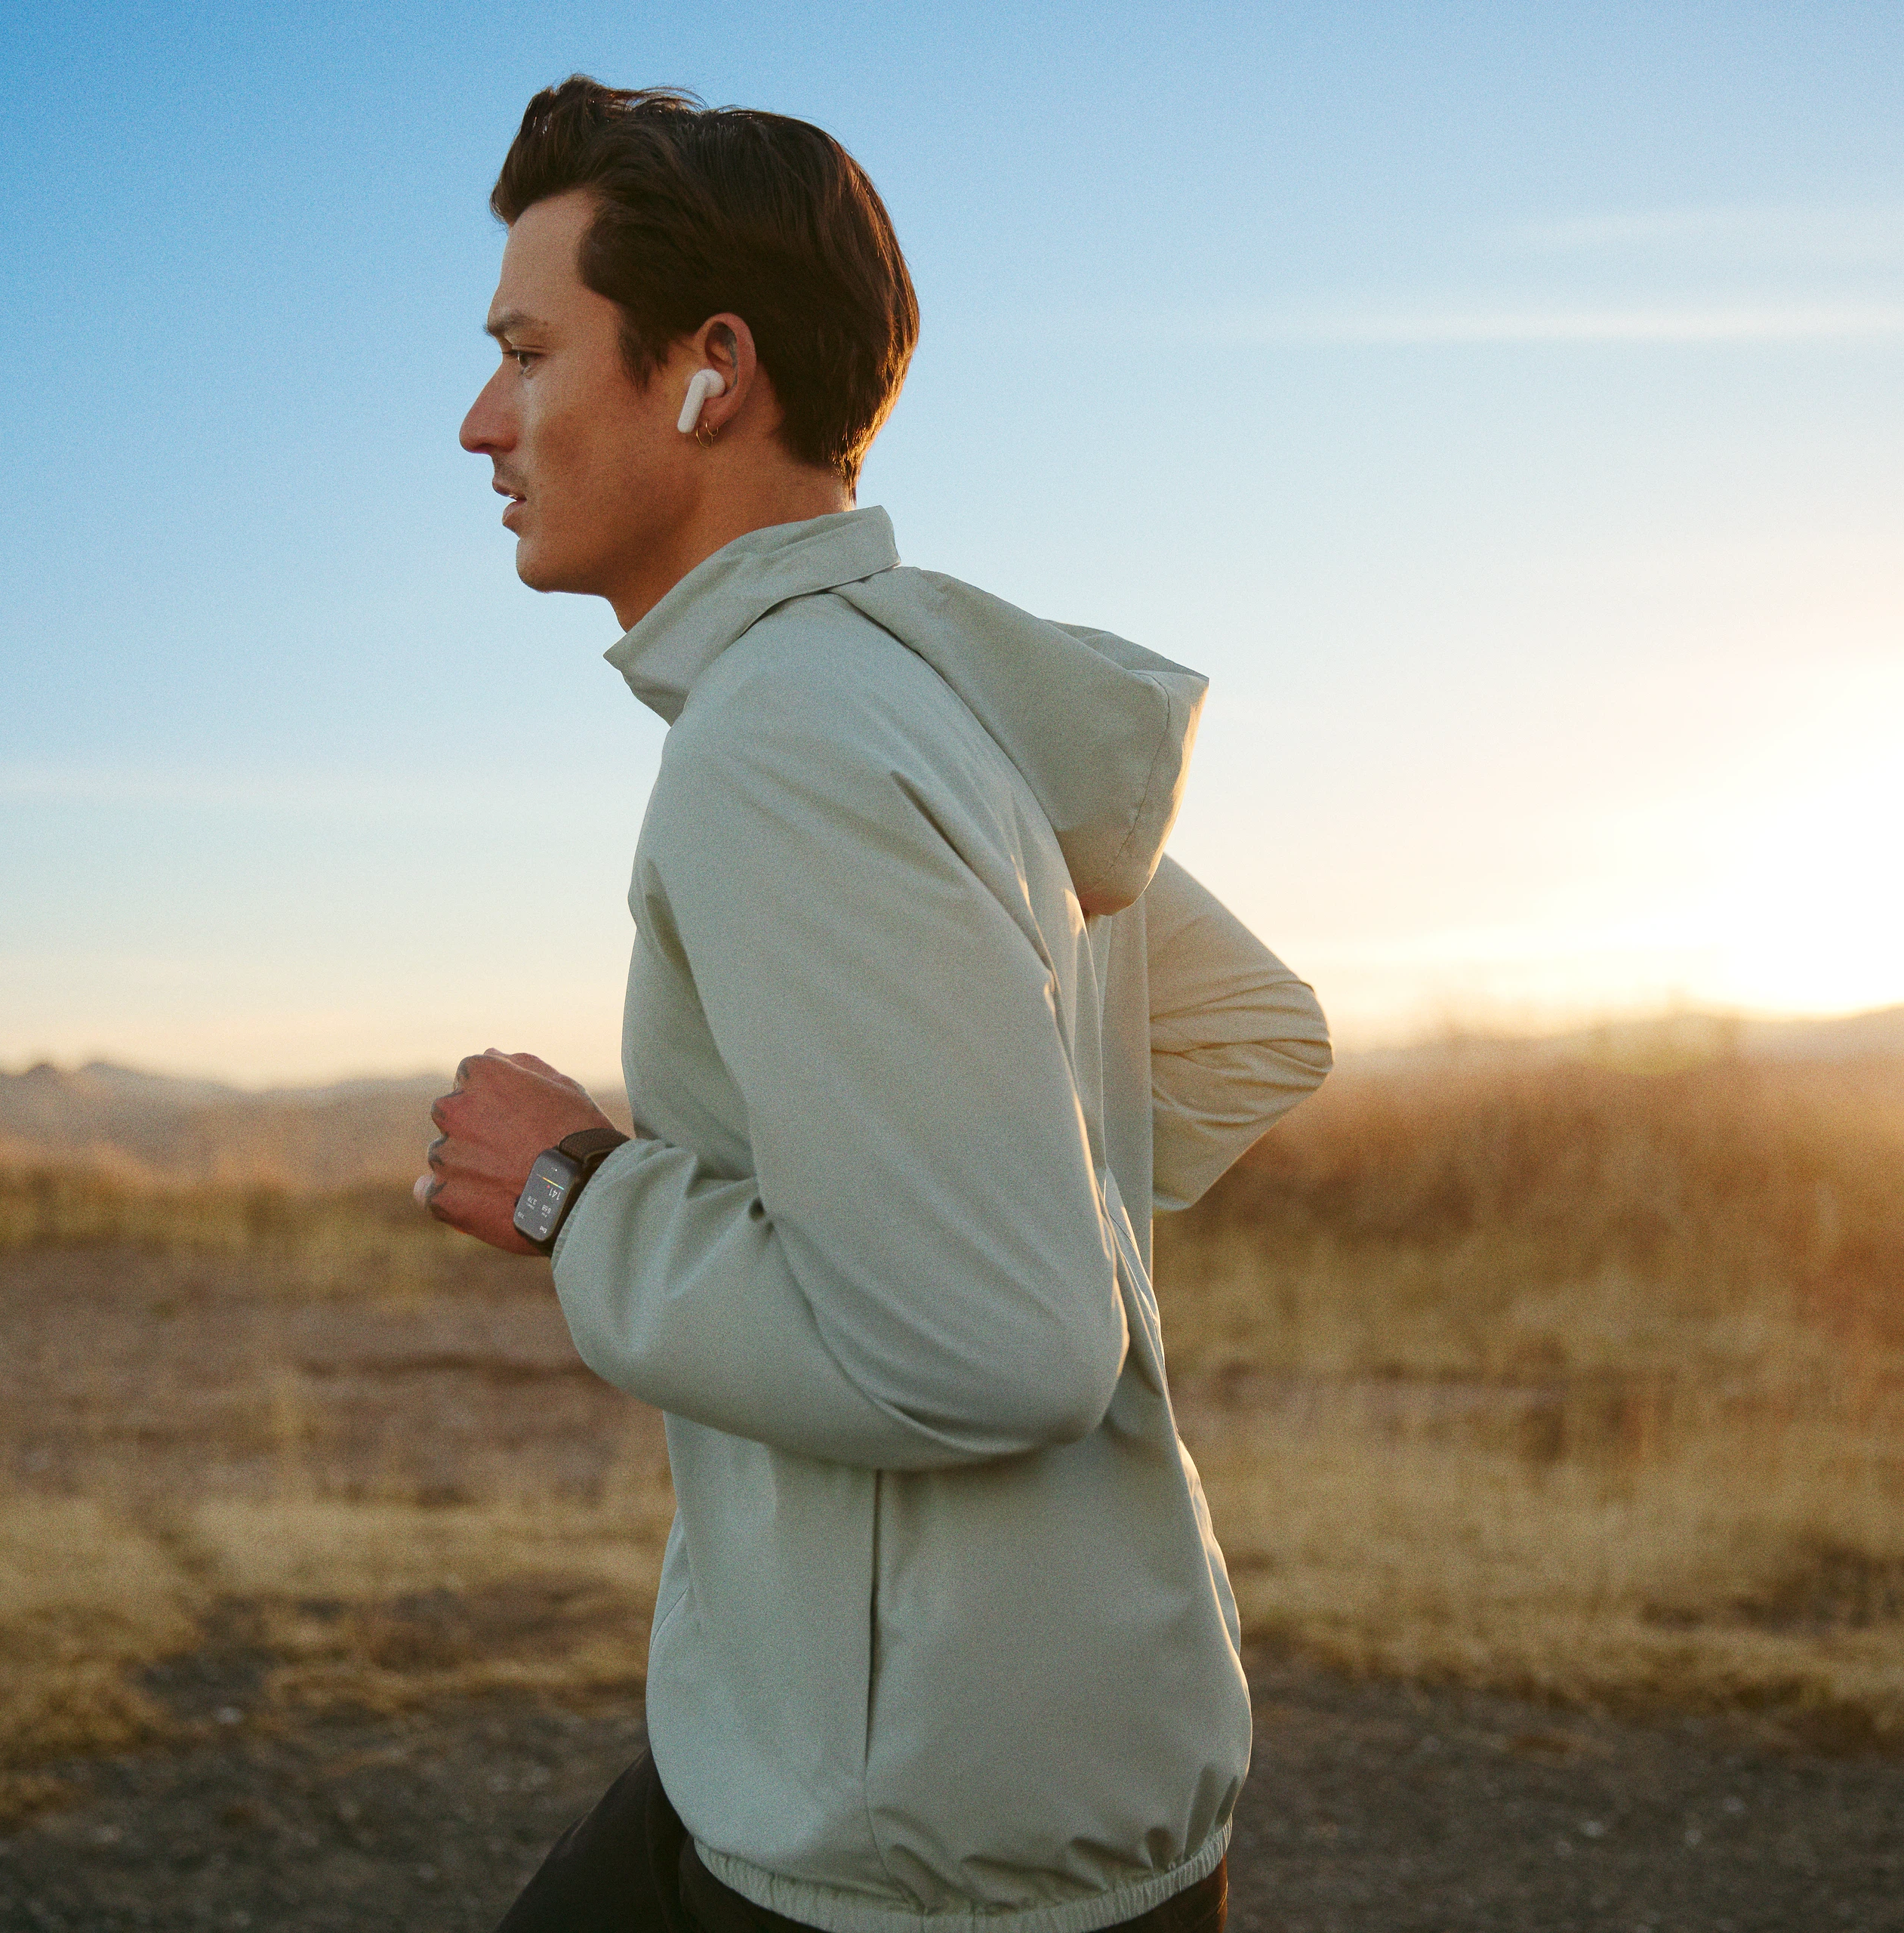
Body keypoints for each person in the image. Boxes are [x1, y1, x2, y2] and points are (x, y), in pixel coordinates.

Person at [422, 76, 1332, 1933]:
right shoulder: (943, 712)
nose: (478, 421)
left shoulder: (791, 737)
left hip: (920, 1837)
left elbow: (1000, 1344)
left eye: (528, 351)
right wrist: (965, 1160)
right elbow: (1255, 1033)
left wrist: (578, 1192)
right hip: (1018, 1759)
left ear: (711, 373)